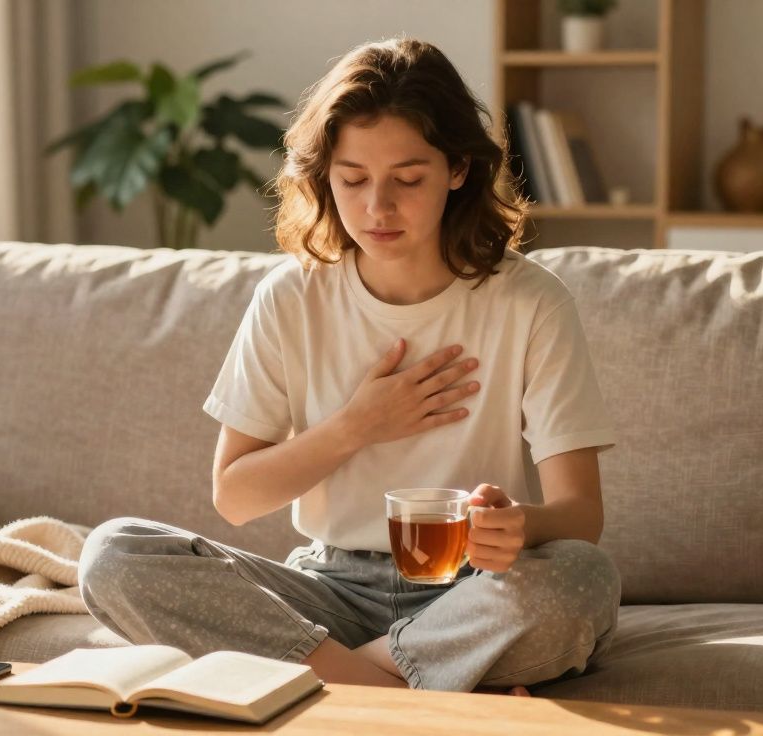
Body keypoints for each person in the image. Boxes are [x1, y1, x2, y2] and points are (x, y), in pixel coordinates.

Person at [78, 36, 621, 696]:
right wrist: (356, 426)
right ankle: (410, 686)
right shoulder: (290, 298)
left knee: (582, 580)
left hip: (473, 591)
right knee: (113, 555)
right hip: (327, 589)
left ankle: (341, 681)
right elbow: (236, 494)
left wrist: (515, 527)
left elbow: (579, 513)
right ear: (324, 176)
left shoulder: (530, 302)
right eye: (353, 179)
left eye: (408, 179)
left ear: (456, 169)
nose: (376, 208)